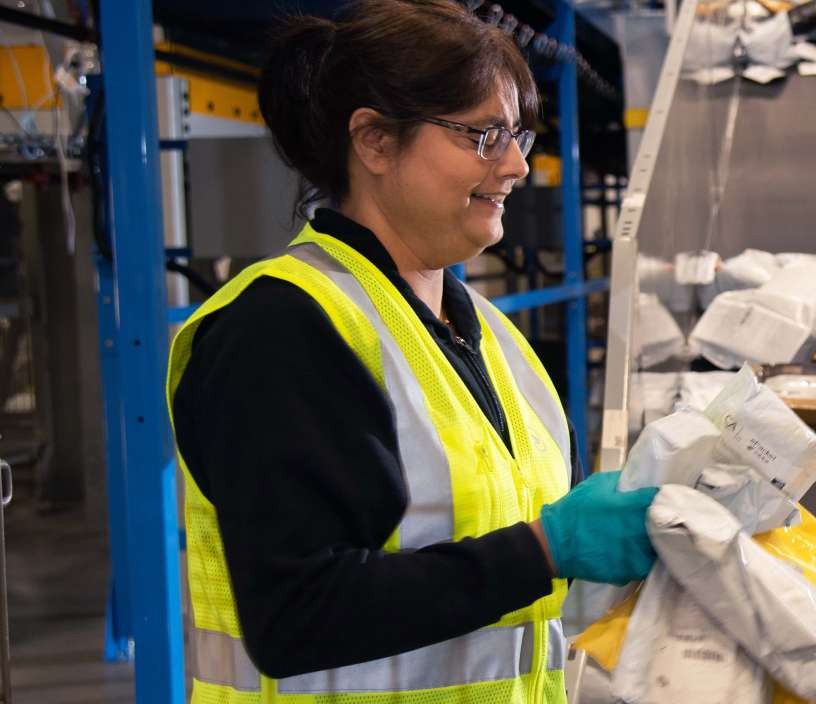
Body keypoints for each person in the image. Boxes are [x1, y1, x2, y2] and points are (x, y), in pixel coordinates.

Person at [165, 1, 657, 700]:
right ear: (374, 141)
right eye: (484, 136)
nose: (517, 164)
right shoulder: (280, 328)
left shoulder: (493, 338)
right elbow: (296, 615)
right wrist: (545, 551)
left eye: (518, 133)